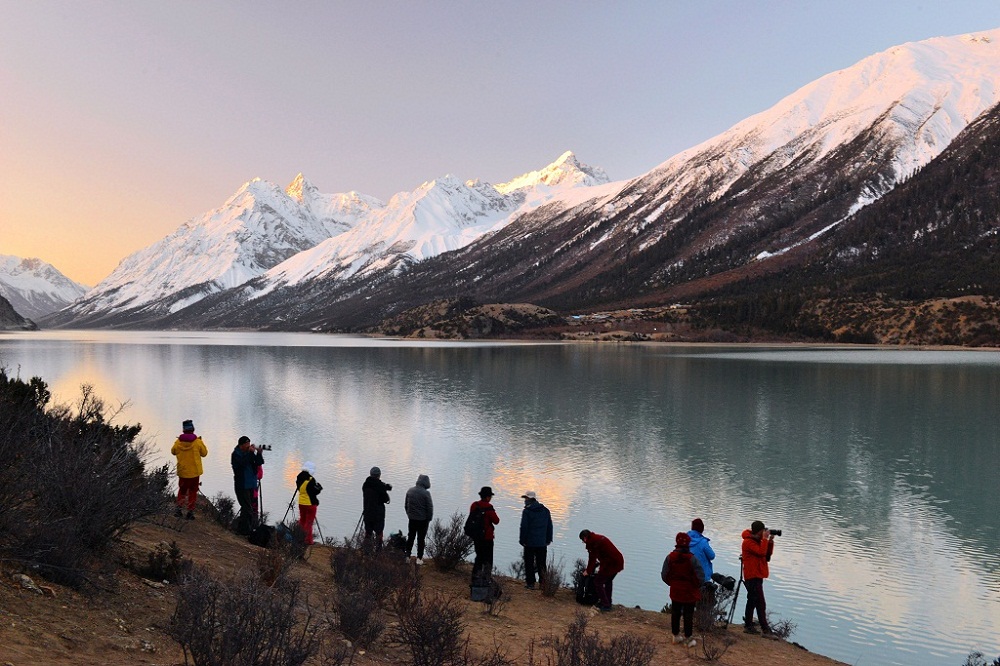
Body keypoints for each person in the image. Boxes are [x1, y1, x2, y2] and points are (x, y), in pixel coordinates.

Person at [661, 531, 704, 647]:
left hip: (675, 590)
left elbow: (664, 575)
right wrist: (697, 585)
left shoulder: (670, 558)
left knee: (675, 612)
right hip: (689, 592)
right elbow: (700, 576)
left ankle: (675, 636)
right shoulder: (692, 559)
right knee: (688, 614)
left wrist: (672, 583)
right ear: (688, 544)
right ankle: (688, 639)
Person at [742, 520, 779, 639]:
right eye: (762, 532)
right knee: (760, 602)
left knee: (753, 600)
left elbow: (767, 556)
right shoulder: (748, 542)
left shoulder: (759, 541)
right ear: (758, 531)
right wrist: (765, 539)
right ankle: (764, 628)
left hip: (757, 575)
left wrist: (770, 541)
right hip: (752, 576)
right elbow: (760, 552)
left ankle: (749, 625)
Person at [170, 419, 208, 520]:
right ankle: (190, 512)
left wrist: (178, 441)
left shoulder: (178, 442)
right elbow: (204, 453)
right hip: (195, 472)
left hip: (183, 472)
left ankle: (178, 510)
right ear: (193, 429)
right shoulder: (197, 442)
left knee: (182, 491)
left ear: (183, 430)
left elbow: (173, 451)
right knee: (192, 492)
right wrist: (201, 441)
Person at [579, 529, 624, 612]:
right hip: (618, 561)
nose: (584, 543)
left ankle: (606, 605)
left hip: (611, 564)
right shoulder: (597, 538)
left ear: (585, 538)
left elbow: (592, 559)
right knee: (608, 581)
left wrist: (588, 571)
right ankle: (607, 602)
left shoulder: (592, 542)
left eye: (583, 541)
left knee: (598, 582)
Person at [519, 490, 553, 589]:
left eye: (525, 498)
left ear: (529, 499)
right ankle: (543, 583)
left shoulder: (527, 511)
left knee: (529, 563)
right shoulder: (545, 510)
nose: (524, 500)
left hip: (530, 542)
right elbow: (549, 526)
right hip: (542, 542)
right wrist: (548, 539)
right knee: (541, 564)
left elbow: (524, 527)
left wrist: (522, 540)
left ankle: (531, 583)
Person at [231, 435, 264, 535]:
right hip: (242, 485)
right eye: (246, 444)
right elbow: (242, 464)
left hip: (251, 484)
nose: (248, 446)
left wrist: (258, 453)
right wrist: (250, 453)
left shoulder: (249, 453)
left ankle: (244, 529)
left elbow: (259, 462)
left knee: (249, 509)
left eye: (249, 444)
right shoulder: (236, 454)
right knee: (247, 508)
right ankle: (244, 531)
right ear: (241, 445)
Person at [469, 486, 500, 583]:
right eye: (490, 496)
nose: (490, 498)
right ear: (487, 497)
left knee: (479, 557)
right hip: (487, 537)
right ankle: (486, 579)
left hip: (477, 536)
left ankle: (475, 577)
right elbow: (496, 521)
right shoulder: (489, 508)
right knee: (488, 559)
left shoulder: (474, 505)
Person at [404, 474, 433, 564]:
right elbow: (429, 508)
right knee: (421, 539)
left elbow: (406, 505)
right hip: (423, 520)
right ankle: (419, 558)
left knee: (411, 537)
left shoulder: (410, 491)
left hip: (412, 519)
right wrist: (428, 519)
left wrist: (409, 515)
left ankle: (407, 556)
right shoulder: (426, 493)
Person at [362, 466, 391, 550]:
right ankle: (378, 552)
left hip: (367, 512)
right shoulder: (380, 486)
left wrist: (383, 486)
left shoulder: (365, 485)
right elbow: (386, 499)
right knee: (379, 533)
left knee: (368, 533)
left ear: (370, 474)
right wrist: (384, 487)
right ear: (379, 475)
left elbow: (373, 488)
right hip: (378, 514)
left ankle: (366, 551)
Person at [296, 461, 322, 546]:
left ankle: (299, 537)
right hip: (310, 504)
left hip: (301, 502)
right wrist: (319, 488)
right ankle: (308, 541)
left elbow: (300, 489)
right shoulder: (311, 479)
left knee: (302, 520)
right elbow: (314, 492)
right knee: (309, 522)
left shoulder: (299, 477)